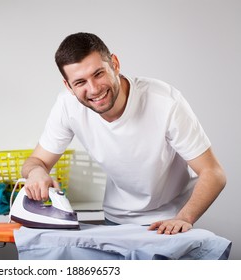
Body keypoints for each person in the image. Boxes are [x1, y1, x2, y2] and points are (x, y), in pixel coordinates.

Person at [21, 32, 226, 235]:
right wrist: (36, 172)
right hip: (115, 219)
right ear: (68, 86)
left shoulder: (164, 102)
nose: (93, 89)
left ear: (115, 64)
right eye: (80, 82)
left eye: (98, 74)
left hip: (170, 218)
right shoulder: (67, 106)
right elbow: (36, 160)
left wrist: (184, 217)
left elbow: (213, 173)